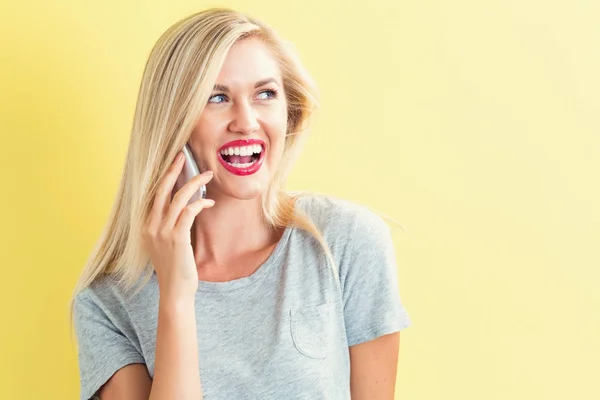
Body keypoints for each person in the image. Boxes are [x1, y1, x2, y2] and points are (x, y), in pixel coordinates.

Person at [71, 7, 412, 400]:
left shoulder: (346, 242)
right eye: (217, 97)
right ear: (172, 124)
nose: (247, 121)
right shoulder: (106, 305)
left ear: (289, 112)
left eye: (265, 94)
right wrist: (177, 298)